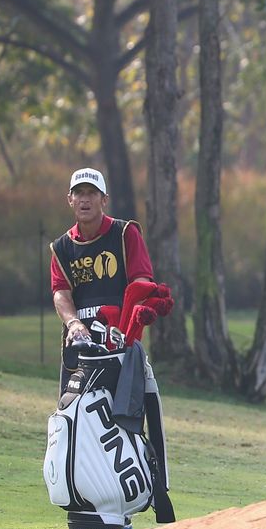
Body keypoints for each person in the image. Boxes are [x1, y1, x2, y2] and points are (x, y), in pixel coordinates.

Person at [50, 167, 154, 392]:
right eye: (78, 193)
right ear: (70, 199)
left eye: (92, 193)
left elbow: (142, 282)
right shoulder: (62, 247)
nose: (84, 199)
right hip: (79, 344)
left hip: (120, 343)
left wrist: (129, 327)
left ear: (104, 199)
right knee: (74, 415)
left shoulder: (125, 233)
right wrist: (73, 323)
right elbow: (61, 292)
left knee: (123, 417)